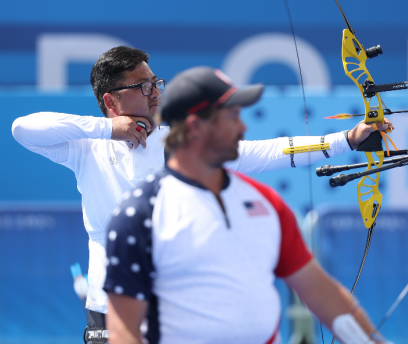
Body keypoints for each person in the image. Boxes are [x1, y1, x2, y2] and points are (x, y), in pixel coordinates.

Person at [11, 46, 393, 343]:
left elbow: (264, 152)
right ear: (111, 101)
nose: (154, 93)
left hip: (184, 311)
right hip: (110, 311)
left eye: (155, 83)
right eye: (142, 87)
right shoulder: (87, 146)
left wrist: (344, 140)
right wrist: (109, 129)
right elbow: (22, 129)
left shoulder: (190, 144)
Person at [104, 66, 389, 344]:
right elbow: (124, 332)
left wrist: (348, 140)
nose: (243, 126)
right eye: (232, 117)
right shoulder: (139, 215)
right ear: (196, 127)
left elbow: (322, 295)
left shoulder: (268, 204)